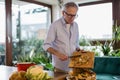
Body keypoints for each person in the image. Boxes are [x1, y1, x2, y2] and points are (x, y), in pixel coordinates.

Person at [43, 1, 80, 72]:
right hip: (60, 67)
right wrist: (58, 54)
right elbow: (46, 45)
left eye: (74, 15)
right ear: (63, 13)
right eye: (70, 15)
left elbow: (76, 44)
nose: (72, 18)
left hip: (74, 66)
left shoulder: (76, 25)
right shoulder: (55, 25)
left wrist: (79, 50)